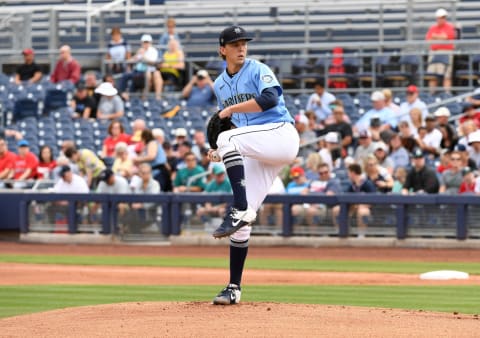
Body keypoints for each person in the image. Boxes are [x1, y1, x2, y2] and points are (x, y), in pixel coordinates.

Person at [208, 26, 299, 305]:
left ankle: (238, 208)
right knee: (245, 220)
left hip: (280, 134)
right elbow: (232, 127)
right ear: (223, 49)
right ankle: (233, 288)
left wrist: (230, 117)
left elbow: (270, 99)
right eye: (235, 44)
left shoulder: (257, 68)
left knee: (228, 140)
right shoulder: (219, 84)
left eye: (243, 43)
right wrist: (219, 149)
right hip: (258, 148)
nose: (241, 48)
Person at [121, 34, 163, 100]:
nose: (145, 44)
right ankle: (123, 94)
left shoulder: (153, 51)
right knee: (125, 75)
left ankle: (144, 97)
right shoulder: (141, 50)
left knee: (145, 77)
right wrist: (134, 57)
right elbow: (133, 60)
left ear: (150, 43)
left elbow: (152, 62)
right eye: (144, 42)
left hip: (147, 72)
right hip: (138, 71)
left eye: (147, 42)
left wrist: (143, 56)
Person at [425, 8, 456, 94]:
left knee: (446, 76)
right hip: (434, 52)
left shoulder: (449, 27)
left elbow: (446, 37)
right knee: (432, 75)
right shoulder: (433, 27)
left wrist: (435, 36)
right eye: (440, 17)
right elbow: (428, 38)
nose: (441, 19)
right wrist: (440, 37)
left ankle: (447, 94)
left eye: (443, 17)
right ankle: (431, 94)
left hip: (446, 52)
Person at [346, 163, 377, 238]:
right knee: (338, 209)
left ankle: (361, 235)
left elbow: (374, 199)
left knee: (362, 211)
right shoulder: (351, 186)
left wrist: (361, 205)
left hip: (367, 209)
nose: (348, 175)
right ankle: (344, 233)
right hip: (354, 209)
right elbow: (346, 199)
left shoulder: (367, 184)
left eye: (349, 173)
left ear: (353, 173)